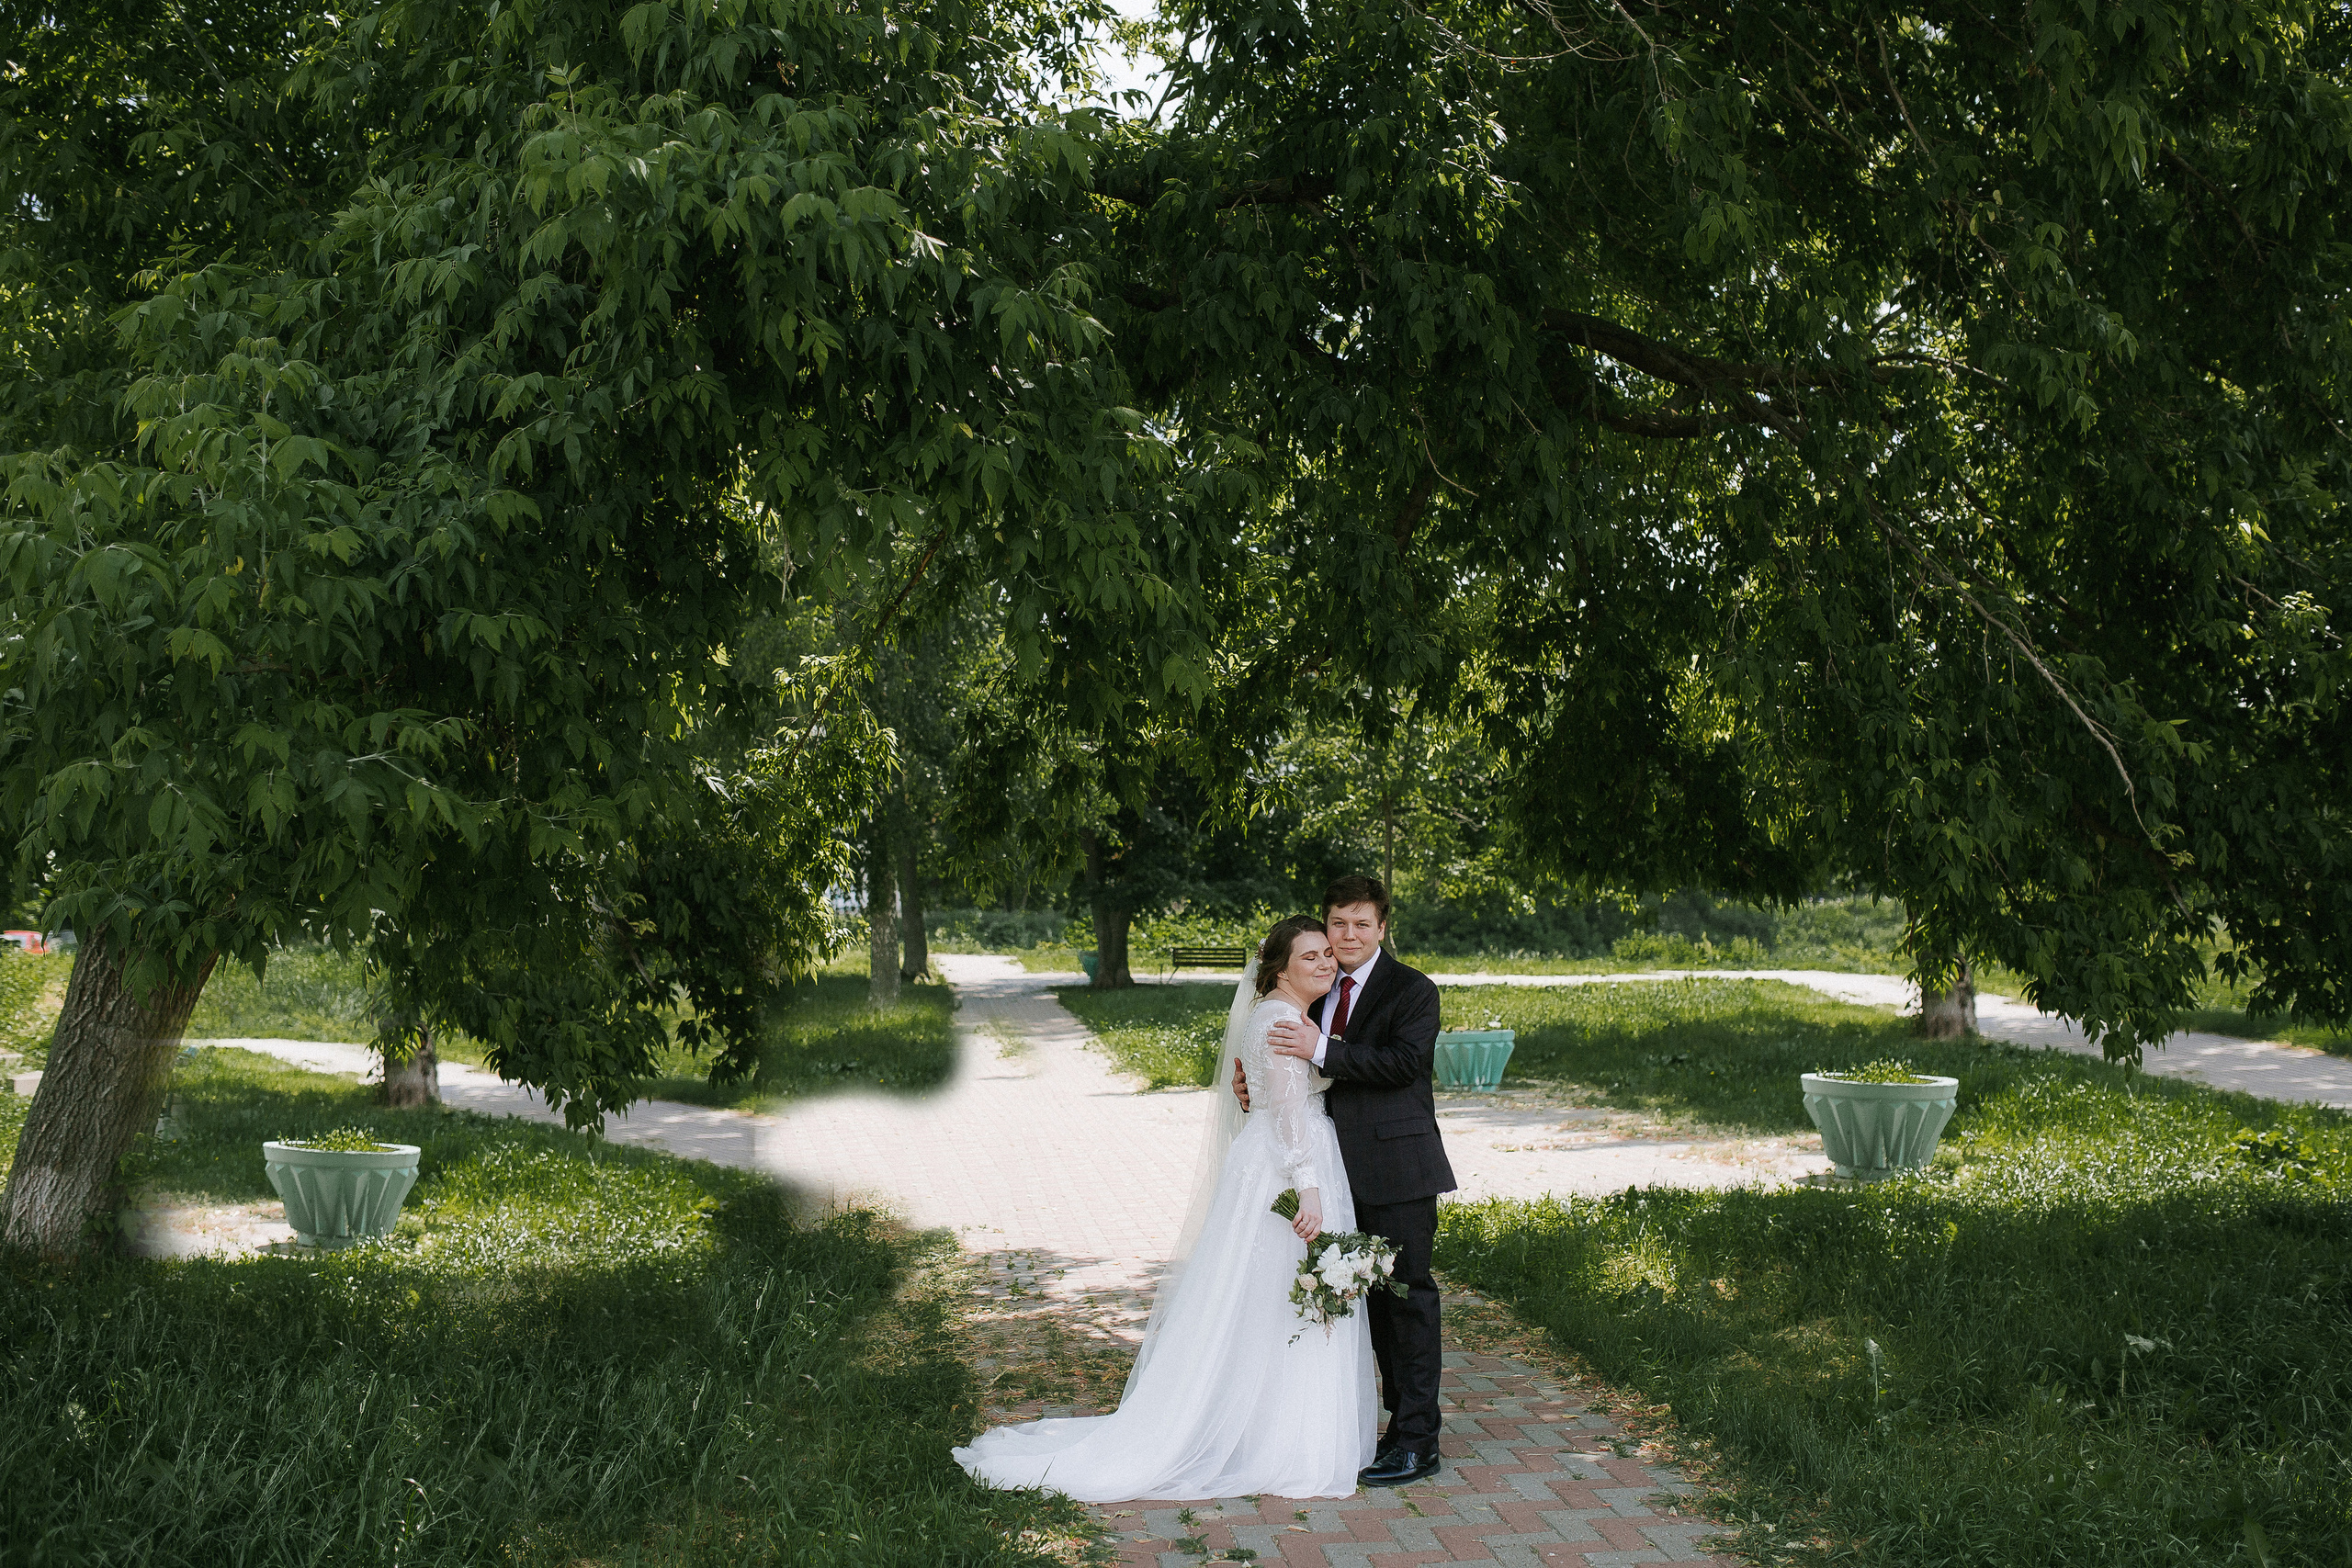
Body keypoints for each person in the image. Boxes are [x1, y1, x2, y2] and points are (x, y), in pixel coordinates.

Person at [953, 916, 1378, 1501]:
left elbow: (1277, 1093)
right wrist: (1309, 1188)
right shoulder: (1282, 1020)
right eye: (1311, 957)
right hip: (1288, 1167)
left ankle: (1259, 1424)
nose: (1327, 964)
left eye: (1329, 955)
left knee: (1264, 1297)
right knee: (1278, 1295)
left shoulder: (1281, 1016)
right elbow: (1285, 1114)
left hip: (1274, 1159)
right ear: (1280, 970)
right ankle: (1276, 1437)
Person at [1238, 874, 1454, 1486]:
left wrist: (1322, 1049)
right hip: (1330, 1170)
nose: (1349, 935)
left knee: (1405, 1300)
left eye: (1363, 923)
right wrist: (1258, 1081)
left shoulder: (1413, 990)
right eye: (1339, 923)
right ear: (1326, 926)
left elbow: (1403, 1063)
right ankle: (1365, 1424)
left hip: (1396, 1167)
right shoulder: (1318, 984)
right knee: (1348, 1301)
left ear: (1383, 927)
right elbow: (1287, 1064)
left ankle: (1416, 1439)